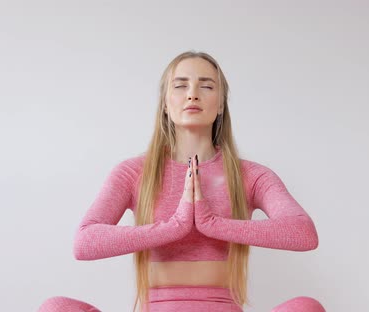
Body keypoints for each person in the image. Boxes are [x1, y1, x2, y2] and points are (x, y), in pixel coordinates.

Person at [38, 51, 326, 312]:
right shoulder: (133, 172)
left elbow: (303, 233)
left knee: (306, 307)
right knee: (55, 308)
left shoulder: (251, 175)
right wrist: (175, 225)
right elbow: (84, 243)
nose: (193, 94)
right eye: (180, 86)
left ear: (221, 103)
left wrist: (212, 223)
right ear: (165, 103)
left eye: (207, 86)